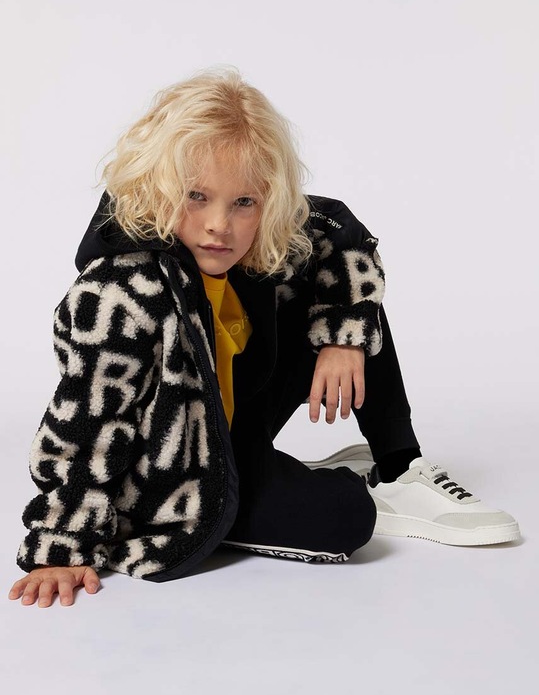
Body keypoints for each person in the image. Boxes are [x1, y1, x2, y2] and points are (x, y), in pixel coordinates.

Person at [8, 67, 520, 608]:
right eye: (196, 196)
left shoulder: (257, 244)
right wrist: (61, 545)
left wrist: (342, 341)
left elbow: (338, 229)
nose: (219, 225)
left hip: (234, 429)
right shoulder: (123, 290)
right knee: (346, 519)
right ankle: (329, 491)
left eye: (244, 203)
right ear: (155, 188)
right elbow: (88, 421)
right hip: (175, 478)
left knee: (347, 297)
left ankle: (399, 467)